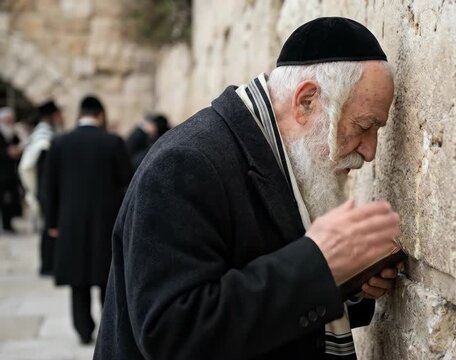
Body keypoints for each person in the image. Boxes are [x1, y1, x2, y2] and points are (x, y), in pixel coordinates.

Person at [95, 17, 399, 359]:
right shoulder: (185, 164)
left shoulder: (276, 154)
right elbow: (172, 334)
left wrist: (349, 282)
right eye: (364, 126)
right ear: (307, 101)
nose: (370, 151)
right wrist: (318, 266)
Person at [44, 95, 132, 344]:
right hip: (107, 220)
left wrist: (52, 222)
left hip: (70, 221)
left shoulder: (60, 143)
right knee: (108, 276)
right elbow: (129, 183)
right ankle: (108, 328)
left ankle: (83, 330)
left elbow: (49, 187)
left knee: (77, 279)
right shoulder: (113, 142)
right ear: (100, 115)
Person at [18, 100, 64, 275]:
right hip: (45, 187)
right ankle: (47, 265)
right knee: (49, 226)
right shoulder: (44, 138)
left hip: (44, 186)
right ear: (53, 115)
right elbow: (44, 169)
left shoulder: (44, 134)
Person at [0, 107, 23, 233]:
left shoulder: (13, 134)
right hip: (2, 172)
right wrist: (7, 152)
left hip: (11, 172)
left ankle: (8, 223)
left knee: (10, 200)